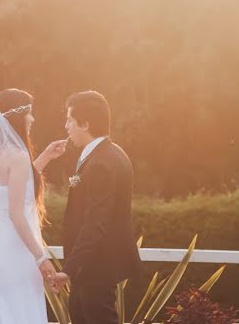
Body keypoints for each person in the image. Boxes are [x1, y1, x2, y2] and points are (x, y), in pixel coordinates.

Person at [0, 88, 68, 323]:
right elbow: (16, 213)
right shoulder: (19, 156)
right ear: (17, 117)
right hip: (15, 251)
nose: (32, 119)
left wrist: (45, 158)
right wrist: (41, 258)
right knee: (20, 313)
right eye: (29, 113)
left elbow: (13, 187)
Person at [50, 90, 143, 324]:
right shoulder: (106, 154)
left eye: (70, 120)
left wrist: (68, 269)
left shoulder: (101, 163)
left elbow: (95, 223)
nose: (67, 126)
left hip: (96, 267)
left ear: (86, 124)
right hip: (89, 267)